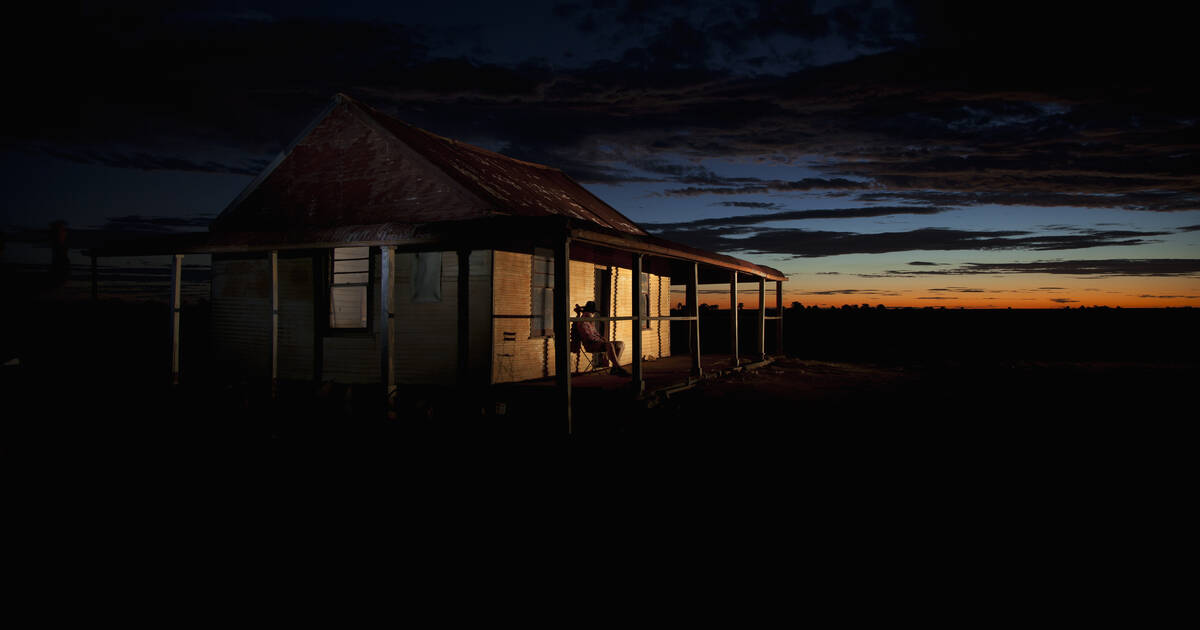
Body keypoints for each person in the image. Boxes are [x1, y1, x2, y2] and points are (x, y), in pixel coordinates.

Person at [575, 301, 630, 376]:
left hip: (598, 342)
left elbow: (596, 334)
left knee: (621, 344)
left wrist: (602, 339)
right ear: (587, 313)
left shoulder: (590, 322)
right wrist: (601, 341)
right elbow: (589, 338)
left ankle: (614, 368)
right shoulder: (582, 322)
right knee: (609, 345)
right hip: (591, 345)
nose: (593, 315)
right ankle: (619, 368)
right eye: (592, 313)